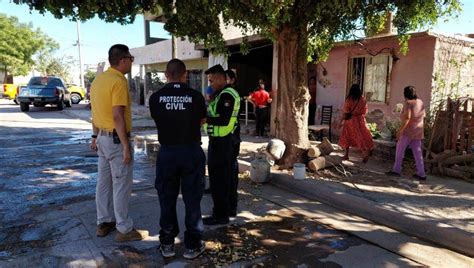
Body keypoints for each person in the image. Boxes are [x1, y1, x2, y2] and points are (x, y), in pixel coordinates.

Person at [149, 59, 207, 259]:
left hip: (167, 153)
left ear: (166, 75)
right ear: (185, 74)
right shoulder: (196, 97)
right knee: (193, 200)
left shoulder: (156, 98)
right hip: (191, 151)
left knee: (166, 199)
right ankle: (192, 245)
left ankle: (167, 243)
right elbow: (201, 121)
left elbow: (158, 119)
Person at [89, 44, 148, 242]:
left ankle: (103, 222)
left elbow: (95, 111)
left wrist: (94, 136)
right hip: (115, 140)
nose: (132, 62)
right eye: (130, 58)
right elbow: (117, 115)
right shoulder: (118, 81)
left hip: (102, 139)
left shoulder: (99, 80)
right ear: (123, 60)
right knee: (121, 184)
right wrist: (125, 146)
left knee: (103, 183)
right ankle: (124, 228)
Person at [203, 64, 240, 225]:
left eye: (211, 81)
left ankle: (220, 215)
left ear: (219, 78)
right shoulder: (221, 94)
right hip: (224, 141)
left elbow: (224, 119)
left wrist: (205, 119)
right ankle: (229, 208)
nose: (210, 84)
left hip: (223, 142)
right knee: (227, 177)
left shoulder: (227, 95)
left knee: (219, 179)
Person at [386, 86, 427, 180]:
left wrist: (400, 131)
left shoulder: (408, 103)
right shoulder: (420, 102)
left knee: (400, 150)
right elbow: (423, 115)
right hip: (418, 131)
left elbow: (407, 118)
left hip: (408, 131)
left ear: (405, 94)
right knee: (418, 153)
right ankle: (421, 173)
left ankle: (396, 170)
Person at [338, 84, 374, 162]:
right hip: (361, 119)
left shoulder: (349, 99)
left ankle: (347, 155)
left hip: (351, 121)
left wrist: (340, 122)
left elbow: (345, 113)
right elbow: (365, 111)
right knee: (363, 135)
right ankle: (367, 150)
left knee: (347, 137)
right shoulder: (363, 99)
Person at [225, 69, 241, 217]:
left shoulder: (229, 94)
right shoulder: (227, 93)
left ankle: (231, 206)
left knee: (230, 172)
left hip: (231, 139)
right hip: (230, 138)